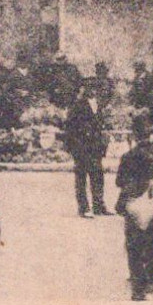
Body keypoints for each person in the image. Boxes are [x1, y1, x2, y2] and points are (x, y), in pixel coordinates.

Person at [116, 115, 153, 301]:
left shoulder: (128, 156)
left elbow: (120, 181)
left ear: (134, 134)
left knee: (133, 243)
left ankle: (137, 284)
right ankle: (152, 276)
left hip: (134, 203)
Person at [63, 89, 109, 218]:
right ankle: (83, 208)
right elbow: (70, 127)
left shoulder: (99, 104)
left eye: (94, 85)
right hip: (81, 146)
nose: (92, 89)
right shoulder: (77, 105)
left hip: (95, 147)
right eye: (89, 85)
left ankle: (98, 205)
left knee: (98, 175)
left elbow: (100, 125)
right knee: (81, 178)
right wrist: (72, 147)